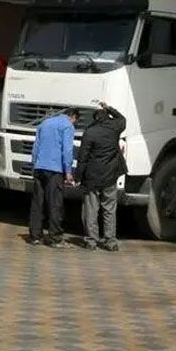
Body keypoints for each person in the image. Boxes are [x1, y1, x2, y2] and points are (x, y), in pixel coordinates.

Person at [76, 102, 127, 251]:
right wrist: (109, 108)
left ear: (95, 118)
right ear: (107, 117)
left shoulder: (90, 132)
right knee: (109, 209)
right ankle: (110, 241)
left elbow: (83, 157)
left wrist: (78, 176)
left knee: (91, 210)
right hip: (110, 175)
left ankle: (91, 240)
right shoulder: (114, 128)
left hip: (92, 177)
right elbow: (122, 119)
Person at [28, 108, 78, 247]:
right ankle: (55, 238)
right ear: (73, 117)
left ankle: (35, 236)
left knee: (37, 203)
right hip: (54, 169)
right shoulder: (68, 126)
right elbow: (67, 150)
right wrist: (68, 171)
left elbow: (36, 147)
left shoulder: (44, 123)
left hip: (39, 167)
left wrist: (34, 164)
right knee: (55, 204)